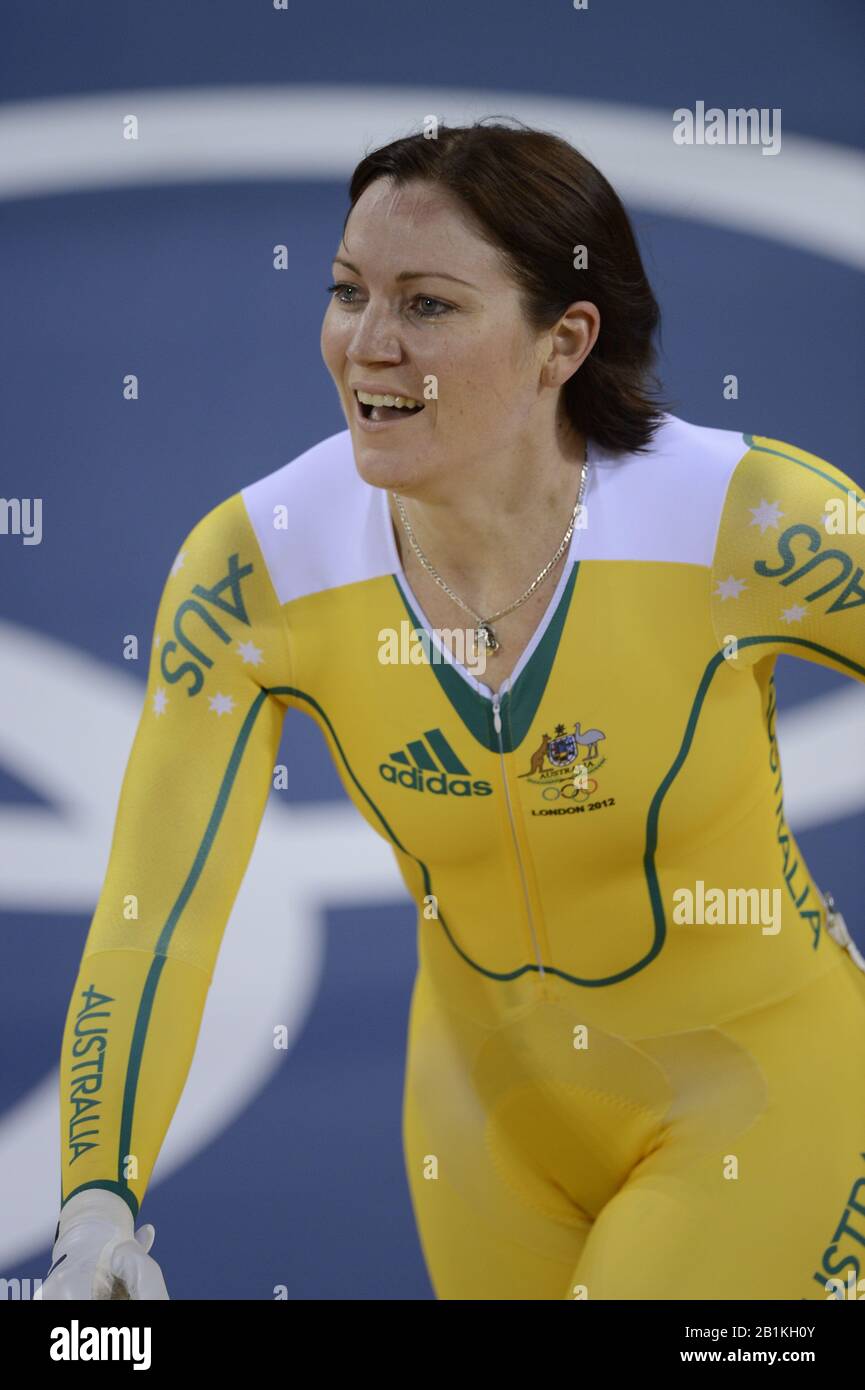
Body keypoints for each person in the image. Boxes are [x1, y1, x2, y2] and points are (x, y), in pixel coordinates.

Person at [41, 120, 865, 1301]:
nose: (366, 345)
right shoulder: (256, 570)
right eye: (345, 291)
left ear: (561, 341)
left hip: (762, 1095)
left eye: (426, 305)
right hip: (485, 1137)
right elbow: (154, 913)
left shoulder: (745, 520)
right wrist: (94, 1207)